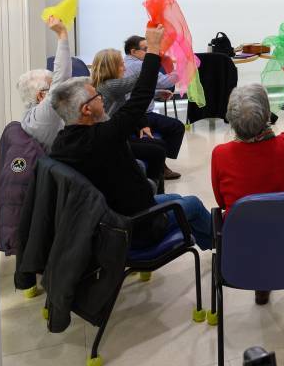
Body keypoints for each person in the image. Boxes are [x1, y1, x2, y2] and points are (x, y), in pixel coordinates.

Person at [50, 26, 211, 251]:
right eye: (97, 98)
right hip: (136, 225)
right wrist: (153, 48)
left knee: (174, 195)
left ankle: (215, 246)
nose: (101, 99)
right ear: (86, 109)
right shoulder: (103, 137)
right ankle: (224, 249)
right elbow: (138, 98)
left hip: (111, 218)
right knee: (192, 203)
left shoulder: (61, 142)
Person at [211, 60, 284, 305]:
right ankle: (265, 282)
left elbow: (221, 201)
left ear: (231, 120)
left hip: (240, 236)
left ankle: (257, 278)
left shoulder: (220, 154)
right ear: (268, 116)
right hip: (281, 231)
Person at [90, 48, 168, 192]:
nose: (125, 68)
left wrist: (156, 94)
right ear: (111, 67)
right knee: (157, 151)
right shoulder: (110, 86)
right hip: (109, 142)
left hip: (114, 136)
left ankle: (155, 189)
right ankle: (152, 192)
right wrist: (154, 58)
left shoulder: (106, 85)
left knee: (159, 147)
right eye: (121, 64)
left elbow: (131, 101)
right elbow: (140, 78)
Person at [124, 35, 185, 180]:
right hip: (141, 115)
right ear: (133, 51)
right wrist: (182, 69)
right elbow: (165, 81)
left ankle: (160, 163)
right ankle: (161, 164)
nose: (151, 51)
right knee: (177, 127)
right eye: (146, 49)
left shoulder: (126, 62)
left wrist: (157, 93)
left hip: (133, 113)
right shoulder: (139, 65)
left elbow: (136, 90)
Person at [17, 16, 71, 152]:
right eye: (51, 87)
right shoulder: (42, 116)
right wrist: (62, 33)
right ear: (41, 96)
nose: (54, 90)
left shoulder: (31, 118)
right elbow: (61, 80)